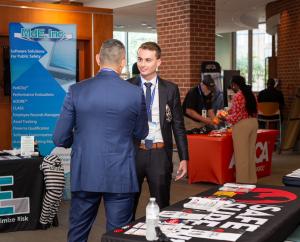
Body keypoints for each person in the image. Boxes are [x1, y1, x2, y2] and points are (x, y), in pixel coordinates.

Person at [53, 39, 148, 242]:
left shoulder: (76, 90)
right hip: (121, 172)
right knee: (118, 235)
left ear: (98, 59)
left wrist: (78, 141)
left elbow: (59, 137)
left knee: (78, 232)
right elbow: (141, 132)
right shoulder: (134, 93)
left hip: (86, 169)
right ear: (122, 62)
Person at [127, 42, 189, 217]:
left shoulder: (170, 89)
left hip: (159, 154)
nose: (142, 64)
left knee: (162, 207)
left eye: (148, 60)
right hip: (133, 153)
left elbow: (178, 125)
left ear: (158, 62)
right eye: (140, 59)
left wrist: (184, 158)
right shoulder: (127, 86)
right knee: (127, 205)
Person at [225, 75, 258, 184]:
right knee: (250, 153)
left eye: (232, 85)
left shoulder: (238, 95)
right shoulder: (251, 94)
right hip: (253, 123)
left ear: (235, 84)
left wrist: (224, 117)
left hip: (242, 125)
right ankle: (252, 180)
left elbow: (236, 117)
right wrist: (230, 112)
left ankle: (243, 182)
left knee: (241, 155)